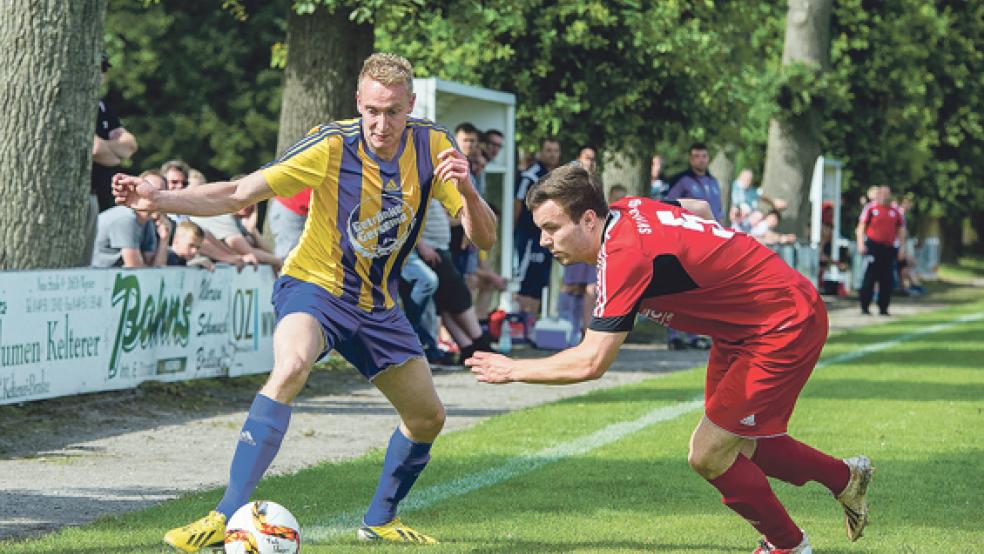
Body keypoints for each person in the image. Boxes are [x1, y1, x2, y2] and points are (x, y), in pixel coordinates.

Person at [112, 52, 496, 551]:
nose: (381, 124)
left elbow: (482, 237)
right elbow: (238, 192)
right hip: (314, 287)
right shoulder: (333, 143)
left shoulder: (434, 146)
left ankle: (379, 520)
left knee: (428, 418)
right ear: (359, 102)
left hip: (378, 305)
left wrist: (466, 188)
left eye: (393, 112)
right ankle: (223, 516)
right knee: (292, 364)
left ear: (411, 105)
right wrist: (157, 199)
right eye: (372, 110)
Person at [466, 164, 874, 554]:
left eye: (552, 228)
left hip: (782, 322)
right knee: (741, 445)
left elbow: (591, 362)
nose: (544, 241)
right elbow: (699, 212)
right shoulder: (628, 210)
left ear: (589, 219)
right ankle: (845, 477)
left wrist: (514, 369)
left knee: (709, 453)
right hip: (745, 325)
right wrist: (721, 266)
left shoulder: (626, 255)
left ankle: (788, 543)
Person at [665, 143, 722, 350]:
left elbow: (718, 212)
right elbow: (669, 207)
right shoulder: (681, 181)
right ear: (690, 158)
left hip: (709, 243)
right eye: (696, 156)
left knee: (698, 290)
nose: (700, 160)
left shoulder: (713, 181)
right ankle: (674, 335)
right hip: (686, 242)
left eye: (703, 156)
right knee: (678, 288)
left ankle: (694, 334)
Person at [84, 53, 138, 265]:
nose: (101, 74)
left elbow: (131, 145)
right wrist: (116, 153)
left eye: (103, 69)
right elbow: (96, 149)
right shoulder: (82, 105)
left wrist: (110, 150)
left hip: (104, 197)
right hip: (87, 194)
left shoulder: (102, 106)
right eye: (97, 68)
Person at [514, 137, 561, 318]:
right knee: (526, 280)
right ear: (541, 152)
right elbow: (518, 202)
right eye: (548, 150)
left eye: (555, 151)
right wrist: (515, 231)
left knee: (539, 281)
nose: (552, 154)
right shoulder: (531, 175)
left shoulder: (556, 176)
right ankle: (520, 323)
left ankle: (531, 323)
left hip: (547, 238)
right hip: (528, 236)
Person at [91, 172, 168, 269]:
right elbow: (136, 270)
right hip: (93, 276)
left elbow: (155, 268)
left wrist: (164, 239)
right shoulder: (125, 219)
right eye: (150, 189)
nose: (154, 195)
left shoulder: (148, 221)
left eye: (160, 192)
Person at [856, 185, 905, 316]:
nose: (884, 196)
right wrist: (860, 243)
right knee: (869, 277)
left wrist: (901, 248)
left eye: (886, 194)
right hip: (873, 246)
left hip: (888, 248)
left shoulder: (895, 211)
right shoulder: (871, 208)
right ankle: (865, 306)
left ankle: (883, 307)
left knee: (887, 279)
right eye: (881, 194)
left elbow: (901, 231)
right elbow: (861, 227)